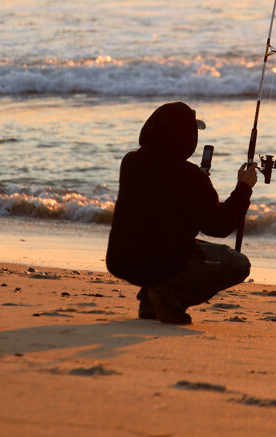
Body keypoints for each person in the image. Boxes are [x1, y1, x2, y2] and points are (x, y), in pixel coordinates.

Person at [106, 101, 257, 324]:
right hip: (163, 263)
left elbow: (162, 204)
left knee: (156, 241)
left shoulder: (131, 162)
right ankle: (171, 298)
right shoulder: (190, 177)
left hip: (122, 261)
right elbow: (219, 226)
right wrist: (243, 188)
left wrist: (198, 187)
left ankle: (150, 300)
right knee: (238, 264)